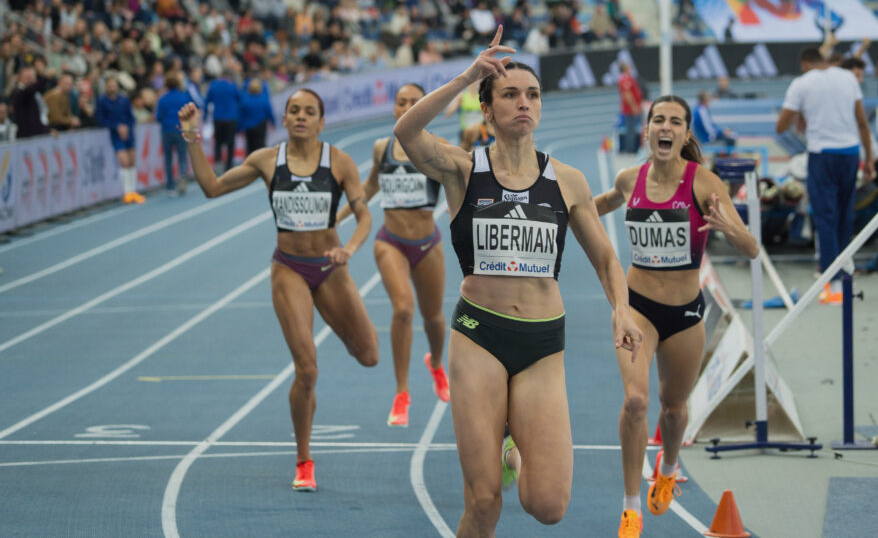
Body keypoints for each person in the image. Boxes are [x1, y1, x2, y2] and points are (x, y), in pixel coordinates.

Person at [393, 27, 642, 535]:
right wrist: (467, 76)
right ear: (487, 109)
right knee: (484, 502)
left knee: (548, 506)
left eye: (532, 94)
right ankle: (498, 457)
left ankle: (513, 449)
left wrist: (621, 309)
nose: (523, 102)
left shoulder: (567, 181)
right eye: (509, 94)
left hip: (542, 343)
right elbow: (407, 133)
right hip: (479, 336)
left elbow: (605, 258)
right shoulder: (463, 170)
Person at [177, 89, 379, 491]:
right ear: (284, 120)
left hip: (331, 267)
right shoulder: (266, 160)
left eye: (309, 112)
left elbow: (364, 217)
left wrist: (349, 249)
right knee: (307, 369)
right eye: (294, 111)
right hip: (289, 269)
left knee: (370, 355)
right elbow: (212, 187)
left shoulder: (339, 161)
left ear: (321, 122)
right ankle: (304, 460)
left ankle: (341, 327)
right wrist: (192, 137)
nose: (301, 117)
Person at [594, 95, 759, 538]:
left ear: (686, 134)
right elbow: (599, 204)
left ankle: (667, 468)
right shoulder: (630, 179)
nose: (665, 127)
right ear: (647, 129)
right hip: (636, 308)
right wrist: (560, 210)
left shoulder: (704, 183)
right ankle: (631, 507)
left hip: (685, 314)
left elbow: (752, 249)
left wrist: (729, 227)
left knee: (672, 409)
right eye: (658, 120)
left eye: (675, 122)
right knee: (635, 402)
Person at [337, 83, 450, 427]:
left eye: (416, 102)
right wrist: (337, 217)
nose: (408, 107)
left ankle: (435, 363)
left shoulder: (439, 147)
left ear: (427, 107)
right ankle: (402, 392)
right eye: (402, 102)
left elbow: (459, 184)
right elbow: (370, 186)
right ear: (395, 108)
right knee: (402, 310)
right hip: (391, 242)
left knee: (434, 318)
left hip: (428, 244)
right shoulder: (381, 148)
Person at [776, 48, 873, 304]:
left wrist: (802, 113)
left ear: (804, 64)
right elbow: (862, 122)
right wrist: (870, 159)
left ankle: (832, 282)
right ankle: (844, 275)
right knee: (845, 215)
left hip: (822, 155)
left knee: (825, 218)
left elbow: (781, 126)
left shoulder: (802, 83)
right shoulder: (848, 77)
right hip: (851, 153)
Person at [97, 75, 145, 204]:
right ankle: (127, 192)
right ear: (106, 86)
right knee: (124, 161)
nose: (112, 87)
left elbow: (131, 117)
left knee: (132, 160)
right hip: (115, 134)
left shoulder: (123, 99)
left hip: (128, 133)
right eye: (110, 85)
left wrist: (127, 127)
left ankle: (133, 191)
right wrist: (116, 127)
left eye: (114, 85)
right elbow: (101, 119)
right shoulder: (102, 101)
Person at [155, 73, 192, 195]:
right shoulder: (184, 97)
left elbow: (158, 116)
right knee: (182, 156)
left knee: (168, 158)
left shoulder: (163, 99)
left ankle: (170, 185)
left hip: (167, 130)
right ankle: (182, 176)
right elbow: (190, 112)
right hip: (181, 129)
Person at [204, 73, 241, 171]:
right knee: (230, 142)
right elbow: (239, 99)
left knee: (218, 142)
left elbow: (207, 101)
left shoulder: (213, 86)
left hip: (218, 118)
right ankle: (229, 164)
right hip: (231, 118)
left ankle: (218, 162)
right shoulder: (232, 86)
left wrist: (205, 116)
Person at [444, 78, 484, 151]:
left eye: (475, 82)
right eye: (471, 82)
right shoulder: (462, 96)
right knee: (465, 153)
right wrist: (456, 103)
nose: (473, 84)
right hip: (465, 132)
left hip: (478, 131)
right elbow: (448, 113)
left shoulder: (481, 97)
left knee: (478, 152)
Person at [238, 78, 276, 154]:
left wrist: (239, 128)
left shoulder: (245, 100)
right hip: (260, 126)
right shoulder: (264, 99)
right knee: (261, 146)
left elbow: (241, 116)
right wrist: (273, 122)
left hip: (248, 127)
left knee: (250, 147)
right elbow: (269, 112)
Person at [617, 63, 644, 153]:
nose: (630, 67)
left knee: (632, 129)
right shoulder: (625, 79)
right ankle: (631, 149)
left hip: (631, 108)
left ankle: (633, 148)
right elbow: (627, 94)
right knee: (631, 130)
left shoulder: (627, 78)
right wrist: (634, 107)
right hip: (630, 110)